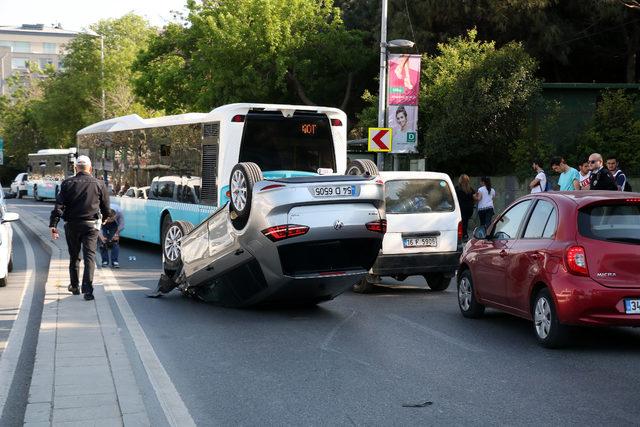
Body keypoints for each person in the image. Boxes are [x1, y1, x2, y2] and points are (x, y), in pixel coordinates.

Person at [49, 155, 110, 301]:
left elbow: (59, 206)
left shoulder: (67, 183)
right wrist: (106, 218)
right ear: (90, 168)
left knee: (74, 256)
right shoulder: (99, 183)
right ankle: (88, 291)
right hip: (91, 226)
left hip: (72, 225)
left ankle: (75, 286)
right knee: (90, 257)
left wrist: (53, 224)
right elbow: (106, 206)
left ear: (76, 168)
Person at [455, 174, 476, 240]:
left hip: (461, 208)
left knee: (461, 222)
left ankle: (463, 235)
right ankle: (465, 235)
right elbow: (474, 198)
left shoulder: (457, 189)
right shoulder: (471, 189)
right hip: (469, 209)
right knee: (465, 222)